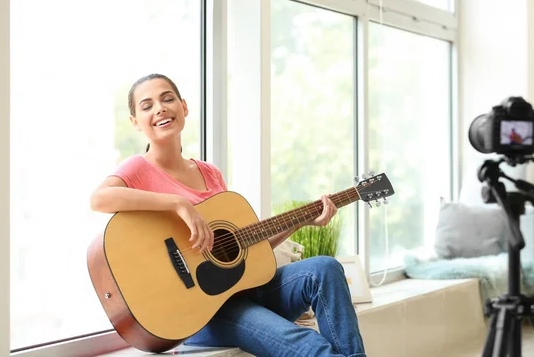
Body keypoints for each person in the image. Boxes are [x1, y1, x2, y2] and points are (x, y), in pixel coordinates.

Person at [89, 74, 367, 357]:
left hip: (241, 294)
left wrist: (301, 220)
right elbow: (99, 199)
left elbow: (243, 254)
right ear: (135, 122)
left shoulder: (210, 173)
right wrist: (178, 204)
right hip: (199, 314)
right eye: (146, 105)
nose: (159, 108)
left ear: (184, 107)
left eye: (168, 98)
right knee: (306, 344)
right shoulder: (138, 168)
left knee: (325, 269)